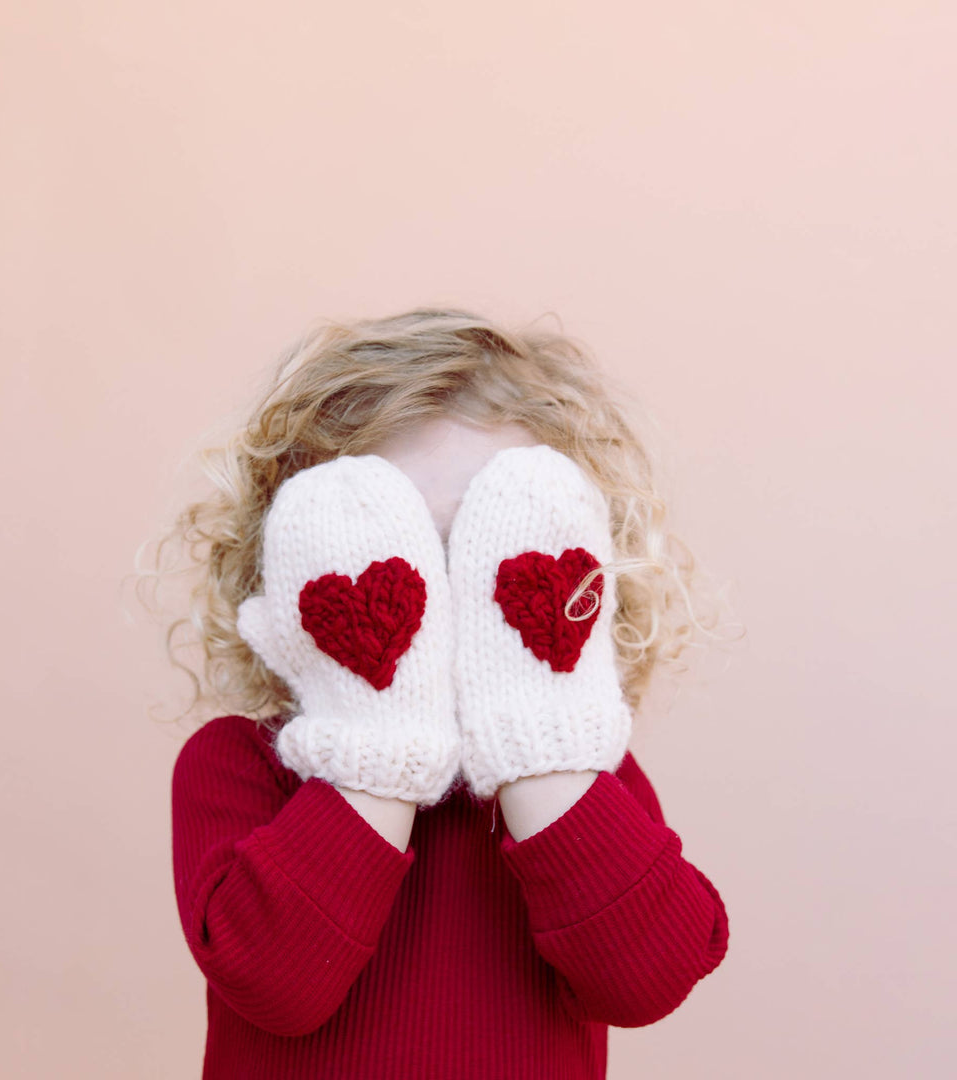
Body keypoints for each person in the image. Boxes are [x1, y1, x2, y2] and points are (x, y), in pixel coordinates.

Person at [154, 307, 733, 1078]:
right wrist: (381, 731)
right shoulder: (237, 764)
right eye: (401, 548)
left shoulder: (586, 786)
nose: (444, 588)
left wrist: (539, 731)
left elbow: (646, 981)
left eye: (489, 547)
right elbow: (276, 984)